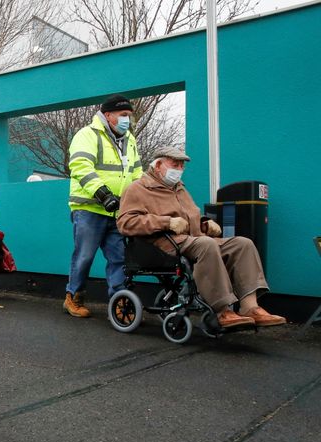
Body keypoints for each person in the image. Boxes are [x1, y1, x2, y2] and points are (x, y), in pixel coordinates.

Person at [116, 146, 285, 328]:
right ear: (158, 165)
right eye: (175, 165)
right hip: (166, 245)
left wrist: (204, 222)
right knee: (206, 245)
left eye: (182, 166)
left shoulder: (179, 189)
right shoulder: (137, 189)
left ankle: (250, 307)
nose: (179, 170)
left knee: (243, 244)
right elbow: (125, 223)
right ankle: (222, 310)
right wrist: (166, 222)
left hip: (194, 239)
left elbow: (188, 216)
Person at [64, 94, 143, 318]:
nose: (128, 119)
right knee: (84, 256)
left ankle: (120, 301)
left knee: (119, 258)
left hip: (118, 210)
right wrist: (103, 194)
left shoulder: (130, 140)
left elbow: (137, 172)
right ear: (108, 115)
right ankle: (73, 296)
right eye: (123, 115)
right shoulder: (87, 135)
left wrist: (141, 197)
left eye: (129, 115)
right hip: (90, 208)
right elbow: (80, 166)